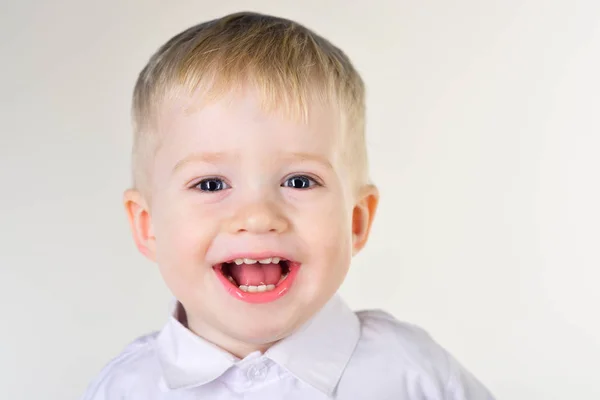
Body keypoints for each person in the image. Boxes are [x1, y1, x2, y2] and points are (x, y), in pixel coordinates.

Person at [81, 11, 495, 399]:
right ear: (148, 226)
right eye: (210, 183)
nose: (258, 216)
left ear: (356, 221)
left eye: (299, 181)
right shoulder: (125, 387)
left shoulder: (412, 375)